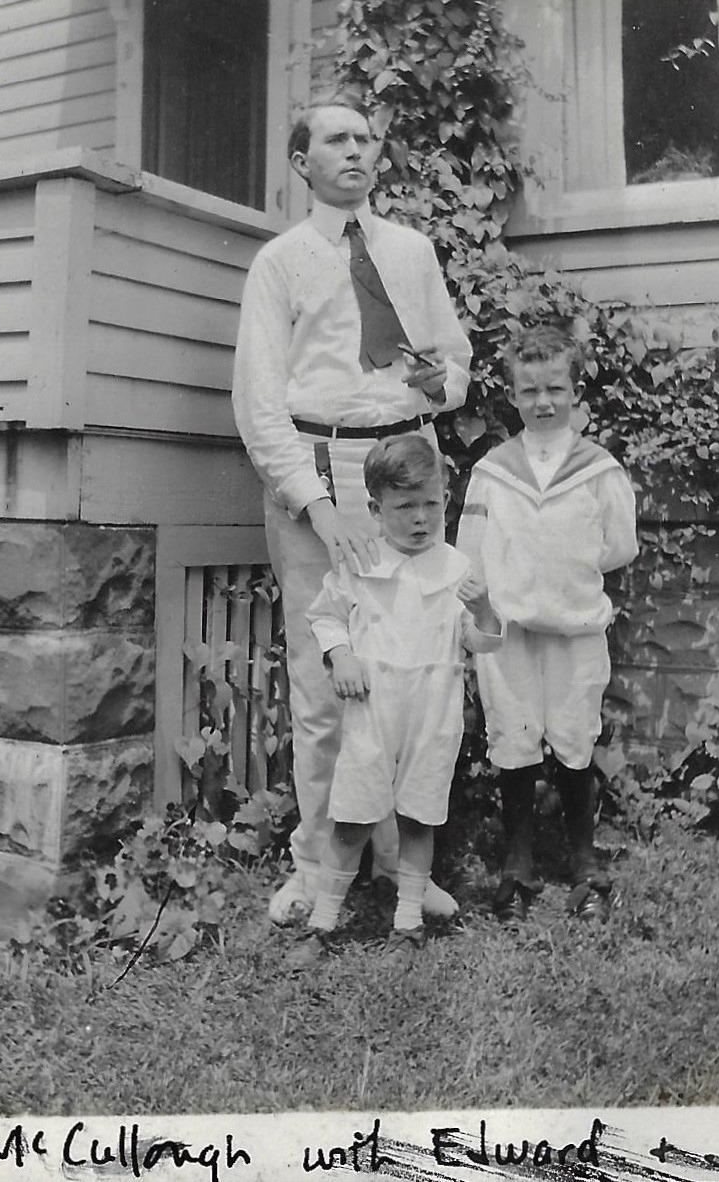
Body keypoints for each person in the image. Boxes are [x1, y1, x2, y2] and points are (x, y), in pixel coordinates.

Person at [231, 91, 472, 923]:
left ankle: (402, 866)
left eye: (366, 138)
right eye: (336, 140)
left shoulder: (410, 251)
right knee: (325, 674)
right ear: (302, 163)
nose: (356, 151)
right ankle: (315, 866)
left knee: (418, 667)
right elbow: (260, 402)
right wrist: (314, 503)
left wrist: (444, 381)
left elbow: (451, 358)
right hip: (318, 461)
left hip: (406, 456)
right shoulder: (282, 263)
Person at [289, 435, 501, 970]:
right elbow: (326, 616)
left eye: (432, 504)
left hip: (432, 709)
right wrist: (342, 658)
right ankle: (322, 925)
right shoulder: (361, 564)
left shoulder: (456, 568)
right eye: (405, 507)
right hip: (373, 708)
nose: (421, 518)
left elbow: (479, 641)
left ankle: (407, 925)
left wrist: (487, 612)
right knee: (352, 818)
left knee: (418, 816)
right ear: (377, 509)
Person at [455, 325, 638, 923]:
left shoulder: (599, 470)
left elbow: (617, 547)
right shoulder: (493, 471)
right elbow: (472, 548)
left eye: (555, 388)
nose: (543, 402)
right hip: (509, 631)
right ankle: (518, 860)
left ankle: (584, 857)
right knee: (513, 735)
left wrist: (563, 574)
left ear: (575, 391)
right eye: (529, 390)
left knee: (575, 735)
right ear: (512, 393)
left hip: (576, 627)